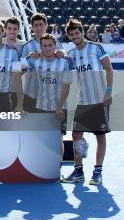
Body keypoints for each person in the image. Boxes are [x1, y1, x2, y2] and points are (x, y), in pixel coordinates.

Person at [61, 19, 114, 185]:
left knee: (100, 137)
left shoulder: (96, 48)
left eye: (77, 33)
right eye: (71, 35)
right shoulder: (72, 55)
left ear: (82, 32)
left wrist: (108, 92)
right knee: (76, 135)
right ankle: (79, 170)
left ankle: (98, 171)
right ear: (69, 37)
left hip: (99, 100)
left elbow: (109, 69)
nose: (75, 36)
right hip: (83, 101)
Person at [26, 33, 73, 162]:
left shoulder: (65, 62)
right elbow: (23, 61)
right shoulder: (36, 61)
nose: (47, 48)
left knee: (58, 138)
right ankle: (44, 167)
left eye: (50, 45)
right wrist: (32, 55)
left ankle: (57, 168)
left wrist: (59, 107)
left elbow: (66, 86)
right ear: (40, 47)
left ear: (55, 46)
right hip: (41, 107)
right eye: (44, 46)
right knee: (42, 138)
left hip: (60, 107)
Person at [21, 13, 65, 113]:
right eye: (36, 25)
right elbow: (22, 69)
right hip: (32, 94)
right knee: (31, 126)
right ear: (32, 28)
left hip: (51, 95)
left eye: (41, 24)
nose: (39, 27)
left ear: (46, 25)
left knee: (50, 126)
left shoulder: (56, 44)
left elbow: (63, 60)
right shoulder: (27, 47)